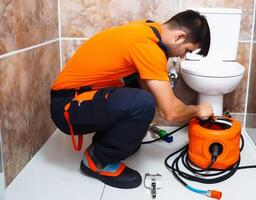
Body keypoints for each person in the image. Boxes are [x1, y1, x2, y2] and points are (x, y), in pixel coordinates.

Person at [50, 10, 213, 189]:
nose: (182, 56)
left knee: (143, 93)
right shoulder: (148, 46)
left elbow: (149, 90)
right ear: (180, 37)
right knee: (143, 102)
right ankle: (98, 160)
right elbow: (171, 112)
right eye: (187, 50)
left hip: (82, 98)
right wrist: (198, 110)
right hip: (67, 107)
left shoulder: (148, 28)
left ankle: (107, 142)